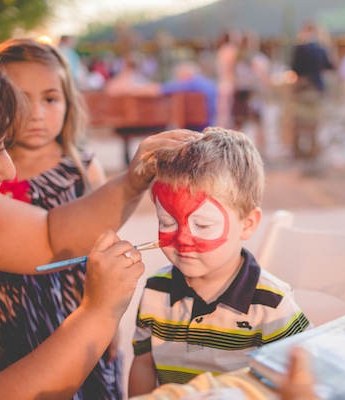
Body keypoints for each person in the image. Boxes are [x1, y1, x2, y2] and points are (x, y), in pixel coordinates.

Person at [0, 27, 195, 399]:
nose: (8, 173)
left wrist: (133, 181)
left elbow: (48, 237)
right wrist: (97, 313)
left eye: (3, 147)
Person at [0, 38, 122, 400]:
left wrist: (110, 319)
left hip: (72, 309)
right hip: (3, 317)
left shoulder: (83, 169)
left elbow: (102, 246)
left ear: (68, 102)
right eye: (21, 99)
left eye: (50, 99)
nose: (37, 113)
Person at [128, 127, 311, 396]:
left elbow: (298, 380)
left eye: (202, 225)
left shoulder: (272, 304)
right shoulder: (156, 289)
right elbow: (143, 364)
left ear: (247, 224)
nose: (183, 239)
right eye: (167, 222)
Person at [106, 60, 218, 128]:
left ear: (186, 74)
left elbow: (158, 90)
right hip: (208, 121)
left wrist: (132, 89)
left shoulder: (188, 84)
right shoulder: (208, 83)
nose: (178, 79)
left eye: (179, 76)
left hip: (195, 125)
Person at [290, 22, 334, 160]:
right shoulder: (321, 48)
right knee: (314, 120)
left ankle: (298, 148)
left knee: (299, 119)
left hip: (303, 88)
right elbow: (330, 66)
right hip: (316, 88)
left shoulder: (300, 48)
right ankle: (313, 146)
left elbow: (295, 68)